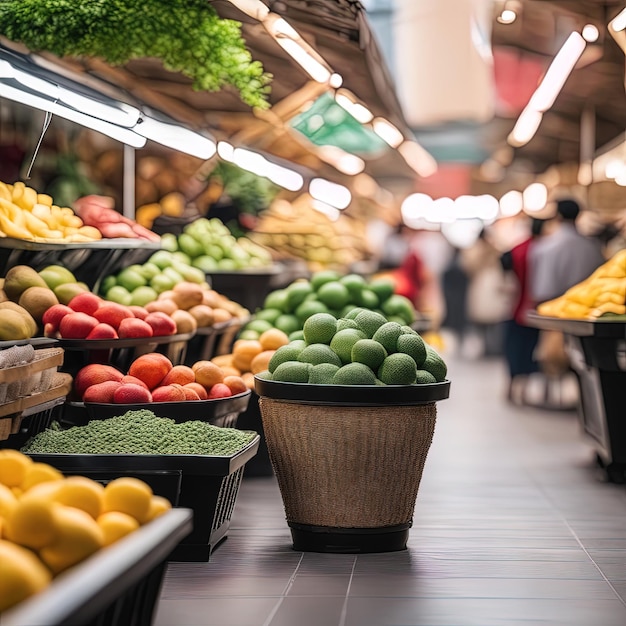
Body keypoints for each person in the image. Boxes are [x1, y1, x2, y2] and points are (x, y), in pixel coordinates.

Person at [527, 198, 606, 407]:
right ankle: (584, 402)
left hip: (556, 309)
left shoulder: (545, 246)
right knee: (581, 359)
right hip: (588, 312)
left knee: (550, 357)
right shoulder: (592, 246)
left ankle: (549, 396)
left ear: (558, 216)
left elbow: (540, 287)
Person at [500, 218, 546, 404]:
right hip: (535, 310)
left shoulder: (517, 248)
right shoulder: (542, 250)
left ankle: (511, 388)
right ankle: (523, 391)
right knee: (530, 351)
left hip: (514, 308)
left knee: (513, 350)